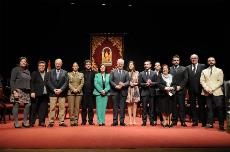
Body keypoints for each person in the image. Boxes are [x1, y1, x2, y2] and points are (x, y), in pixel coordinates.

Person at [200, 57, 225, 131]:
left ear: (215, 61)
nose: (211, 61)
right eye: (209, 61)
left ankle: (221, 125)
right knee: (209, 108)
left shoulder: (219, 70)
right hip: (207, 92)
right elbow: (202, 81)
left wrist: (212, 89)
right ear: (207, 62)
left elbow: (220, 82)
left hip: (217, 92)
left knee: (219, 108)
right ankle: (210, 123)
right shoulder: (204, 71)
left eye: (212, 60)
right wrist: (207, 89)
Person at [46, 58, 68, 127]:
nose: (58, 65)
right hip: (53, 93)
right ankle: (51, 122)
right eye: (56, 63)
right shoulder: (50, 72)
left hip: (62, 93)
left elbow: (66, 82)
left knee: (62, 108)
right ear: (55, 64)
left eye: (59, 63)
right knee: (52, 108)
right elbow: (48, 82)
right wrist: (54, 89)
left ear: (61, 64)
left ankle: (61, 122)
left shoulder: (65, 72)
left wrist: (61, 90)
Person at [185, 54, 206, 127]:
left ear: (198, 59)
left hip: (201, 89)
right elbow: (186, 79)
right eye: (192, 58)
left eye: (195, 58)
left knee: (202, 106)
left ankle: (203, 121)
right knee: (193, 106)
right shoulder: (187, 67)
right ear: (190, 59)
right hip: (191, 90)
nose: (194, 59)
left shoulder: (203, 66)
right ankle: (195, 121)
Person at [10, 57, 31, 128]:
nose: (24, 62)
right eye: (22, 61)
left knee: (28, 105)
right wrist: (14, 91)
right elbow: (12, 81)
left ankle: (24, 122)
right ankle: (16, 122)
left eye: (25, 61)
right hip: (18, 90)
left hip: (26, 91)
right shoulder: (15, 69)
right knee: (16, 105)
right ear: (19, 62)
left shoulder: (28, 71)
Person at [110, 58, 130, 126]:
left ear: (123, 64)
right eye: (119, 63)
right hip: (115, 91)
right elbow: (111, 81)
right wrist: (116, 86)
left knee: (122, 107)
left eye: (121, 63)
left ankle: (122, 121)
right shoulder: (113, 71)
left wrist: (123, 84)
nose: (120, 64)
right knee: (115, 107)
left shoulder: (126, 72)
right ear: (117, 64)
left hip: (123, 92)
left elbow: (128, 81)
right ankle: (115, 121)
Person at [170, 55, 188, 127]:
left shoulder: (184, 68)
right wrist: (173, 87)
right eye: (174, 60)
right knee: (173, 106)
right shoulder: (169, 69)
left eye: (177, 60)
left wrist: (180, 87)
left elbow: (185, 79)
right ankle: (174, 121)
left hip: (181, 90)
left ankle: (183, 121)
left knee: (182, 106)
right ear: (172, 61)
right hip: (172, 90)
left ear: (179, 61)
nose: (176, 61)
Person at [30, 60, 49, 127]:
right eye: (40, 66)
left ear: (45, 66)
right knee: (34, 109)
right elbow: (31, 83)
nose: (42, 67)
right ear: (38, 66)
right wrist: (32, 91)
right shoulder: (34, 73)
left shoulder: (47, 74)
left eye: (43, 66)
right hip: (36, 94)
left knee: (43, 109)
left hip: (45, 95)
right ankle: (32, 122)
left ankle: (42, 122)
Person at [139, 60, 158, 126]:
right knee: (144, 108)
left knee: (152, 108)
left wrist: (151, 83)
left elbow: (157, 82)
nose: (146, 65)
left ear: (150, 65)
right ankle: (144, 121)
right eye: (145, 64)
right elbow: (140, 83)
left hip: (152, 92)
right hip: (144, 92)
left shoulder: (154, 73)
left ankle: (152, 121)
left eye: (147, 64)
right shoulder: (141, 73)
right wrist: (145, 84)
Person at [67, 62, 84, 126]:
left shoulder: (81, 74)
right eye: (74, 66)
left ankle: (76, 121)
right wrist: (73, 89)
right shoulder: (68, 74)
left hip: (79, 93)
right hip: (70, 93)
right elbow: (68, 83)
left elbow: (82, 83)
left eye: (76, 66)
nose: (75, 67)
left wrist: (77, 89)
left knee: (77, 108)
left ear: (78, 67)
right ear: (72, 67)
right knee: (71, 108)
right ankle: (72, 121)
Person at [81, 60, 96, 125]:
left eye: (89, 64)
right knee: (84, 108)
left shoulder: (94, 73)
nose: (88, 65)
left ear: (91, 65)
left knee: (91, 108)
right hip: (83, 93)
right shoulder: (81, 73)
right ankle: (83, 121)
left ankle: (91, 121)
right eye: (87, 64)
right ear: (85, 65)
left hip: (91, 93)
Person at [126, 61, 140, 125]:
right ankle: (130, 120)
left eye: (131, 64)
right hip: (128, 89)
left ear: (134, 65)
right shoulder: (126, 73)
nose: (130, 65)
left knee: (134, 105)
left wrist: (134, 83)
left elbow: (139, 82)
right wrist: (129, 83)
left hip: (135, 89)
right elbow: (125, 81)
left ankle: (134, 120)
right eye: (129, 64)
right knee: (129, 105)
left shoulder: (137, 73)